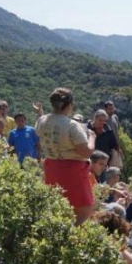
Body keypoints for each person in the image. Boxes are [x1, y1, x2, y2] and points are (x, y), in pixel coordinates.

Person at [35, 87, 96, 225]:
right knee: (83, 210)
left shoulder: (42, 120)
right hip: (73, 170)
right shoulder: (72, 125)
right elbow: (86, 152)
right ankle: (72, 239)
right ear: (69, 105)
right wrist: (92, 137)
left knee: (57, 206)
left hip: (51, 166)